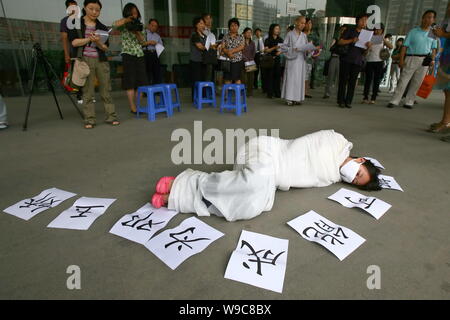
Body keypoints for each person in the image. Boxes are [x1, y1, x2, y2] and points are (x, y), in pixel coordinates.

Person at [150, 130, 382, 222]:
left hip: (274, 177)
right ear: (360, 160)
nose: (352, 178)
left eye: (355, 182)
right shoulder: (337, 140)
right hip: (269, 152)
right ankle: (187, 181)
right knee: (253, 181)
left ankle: (180, 196)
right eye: (358, 173)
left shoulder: (331, 177)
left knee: (253, 205)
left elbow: (306, 173)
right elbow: (303, 148)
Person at [69, 0, 119, 129]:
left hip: (101, 60)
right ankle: (90, 119)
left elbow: (105, 48)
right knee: (88, 91)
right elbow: (74, 42)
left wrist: (97, 42)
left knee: (106, 89)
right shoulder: (77, 24)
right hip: (85, 60)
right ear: (85, 8)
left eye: (97, 10)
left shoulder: (102, 27)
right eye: (91, 8)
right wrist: (89, 39)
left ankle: (111, 116)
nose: (94, 12)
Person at [387, 10, 437, 109]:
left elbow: (434, 49)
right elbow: (404, 47)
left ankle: (409, 101)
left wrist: (432, 59)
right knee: (403, 80)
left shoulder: (433, 33)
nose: (428, 19)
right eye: (426, 17)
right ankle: (394, 100)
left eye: (431, 17)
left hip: (424, 60)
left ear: (433, 20)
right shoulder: (413, 31)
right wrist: (401, 60)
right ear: (422, 18)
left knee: (417, 82)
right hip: (411, 57)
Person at [113, 3, 149, 114]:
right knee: (130, 81)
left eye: (135, 12)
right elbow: (114, 25)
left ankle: (138, 106)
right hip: (128, 54)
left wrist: (136, 31)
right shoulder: (124, 24)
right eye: (131, 13)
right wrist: (126, 20)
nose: (134, 14)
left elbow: (142, 41)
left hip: (139, 54)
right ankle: (133, 107)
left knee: (141, 81)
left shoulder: (140, 25)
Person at [281, 16, 317, 106]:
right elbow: (284, 47)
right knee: (291, 79)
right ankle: (289, 98)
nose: (303, 25)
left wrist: (308, 50)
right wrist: (294, 49)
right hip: (292, 60)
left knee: (299, 80)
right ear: (296, 22)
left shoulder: (304, 36)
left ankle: (297, 98)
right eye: (301, 23)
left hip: (301, 60)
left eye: (304, 23)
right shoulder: (290, 34)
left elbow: (306, 48)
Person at [337, 13, 371, 108]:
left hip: (357, 60)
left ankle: (348, 101)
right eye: (362, 20)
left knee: (352, 82)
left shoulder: (366, 34)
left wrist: (368, 47)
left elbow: (365, 52)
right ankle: (341, 100)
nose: (364, 22)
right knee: (343, 81)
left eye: (366, 20)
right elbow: (340, 41)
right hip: (346, 59)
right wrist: (352, 40)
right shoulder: (350, 30)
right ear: (357, 21)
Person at [429, 3, 450, 138]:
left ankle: (446, 122)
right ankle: (445, 121)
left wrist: (444, 34)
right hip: (447, 55)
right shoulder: (447, 20)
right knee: (447, 91)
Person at [362, 23, 393, 104]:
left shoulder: (382, 39)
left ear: (382, 30)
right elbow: (364, 53)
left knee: (376, 80)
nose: (376, 31)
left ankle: (373, 98)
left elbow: (391, 46)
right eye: (375, 29)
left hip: (379, 61)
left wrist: (383, 39)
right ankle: (365, 97)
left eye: (379, 30)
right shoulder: (369, 38)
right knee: (368, 80)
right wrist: (368, 47)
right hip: (369, 61)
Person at [60, 0, 84, 104]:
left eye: (75, 6)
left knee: (86, 71)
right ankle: (79, 95)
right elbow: (64, 39)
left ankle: (87, 94)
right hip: (73, 50)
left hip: (84, 49)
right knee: (76, 73)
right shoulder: (65, 21)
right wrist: (66, 54)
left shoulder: (82, 19)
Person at [323, 25, 347, 99]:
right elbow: (331, 48)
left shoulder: (347, 40)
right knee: (331, 75)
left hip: (342, 59)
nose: (343, 32)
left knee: (340, 77)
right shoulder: (336, 39)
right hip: (334, 58)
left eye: (344, 30)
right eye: (342, 30)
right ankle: (327, 93)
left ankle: (339, 94)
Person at [221, 18, 245, 84]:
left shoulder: (241, 36)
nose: (234, 27)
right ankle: (227, 94)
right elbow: (223, 47)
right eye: (232, 25)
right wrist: (228, 53)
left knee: (237, 79)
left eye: (235, 25)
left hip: (237, 60)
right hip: (227, 61)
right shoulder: (225, 37)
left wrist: (231, 51)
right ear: (229, 27)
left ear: (238, 26)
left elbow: (242, 46)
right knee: (227, 79)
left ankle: (238, 94)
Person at [189, 17, 207, 101]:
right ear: (196, 25)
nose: (203, 25)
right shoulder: (194, 35)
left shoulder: (204, 35)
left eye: (203, 23)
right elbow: (200, 47)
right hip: (195, 60)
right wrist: (209, 47)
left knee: (203, 78)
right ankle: (195, 97)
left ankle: (202, 96)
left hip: (203, 60)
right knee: (196, 79)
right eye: (201, 23)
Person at [263, 23, 283, 98]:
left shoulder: (280, 39)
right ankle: (270, 93)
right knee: (270, 76)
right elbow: (266, 50)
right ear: (272, 30)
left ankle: (277, 92)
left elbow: (283, 49)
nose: (278, 30)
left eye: (278, 29)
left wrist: (280, 52)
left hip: (277, 59)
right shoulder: (268, 39)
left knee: (277, 76)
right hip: (269, 59)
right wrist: (275, 47)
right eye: (276, 29)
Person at [304, 18, 321, 98]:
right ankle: (299, 92)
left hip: (309, 59)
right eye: (308, 23)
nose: (309, 25)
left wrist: (316, 53)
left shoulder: (314, 35)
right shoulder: (301, 34)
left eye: (310, 23)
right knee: (299, 76)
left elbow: (319, 46)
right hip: (300, 58)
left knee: (307, 76)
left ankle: (305, 92)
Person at [143, 18, 163, 85]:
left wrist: (156, 44)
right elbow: (139, 44)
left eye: (156, 26)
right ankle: (146, 90)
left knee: (157, 72)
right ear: (149, 25)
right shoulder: (144, 33)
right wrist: (149, 42)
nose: (154, 27)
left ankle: (157, 89)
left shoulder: (157, 36)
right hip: (146, 53)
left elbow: (161, 46)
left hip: (155, 53)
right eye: (152, 25)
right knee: (147, 72)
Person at [201, 13, 218, 83]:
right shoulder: (202, 31)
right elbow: (205, 44)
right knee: (206, 77)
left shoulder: (212, 31)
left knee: (211, 77)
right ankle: (206, 92)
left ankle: (211, 91)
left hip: (212, 57)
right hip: (205, 58)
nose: (209, 20)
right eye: (207, 18)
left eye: (210, 18)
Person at [241, 27, 256, 97]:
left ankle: (250, 93)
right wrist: (245, 58)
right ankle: (242, 92)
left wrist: (251, 59)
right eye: (247, 32)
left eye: (250, 33)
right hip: (242, 61)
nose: (249, 34)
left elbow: (254, 52)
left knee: (251, 78)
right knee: (243, 78)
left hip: (251, 62)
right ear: (244, 33)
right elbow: (240, 52)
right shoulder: (241, 42)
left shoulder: (252, 43)